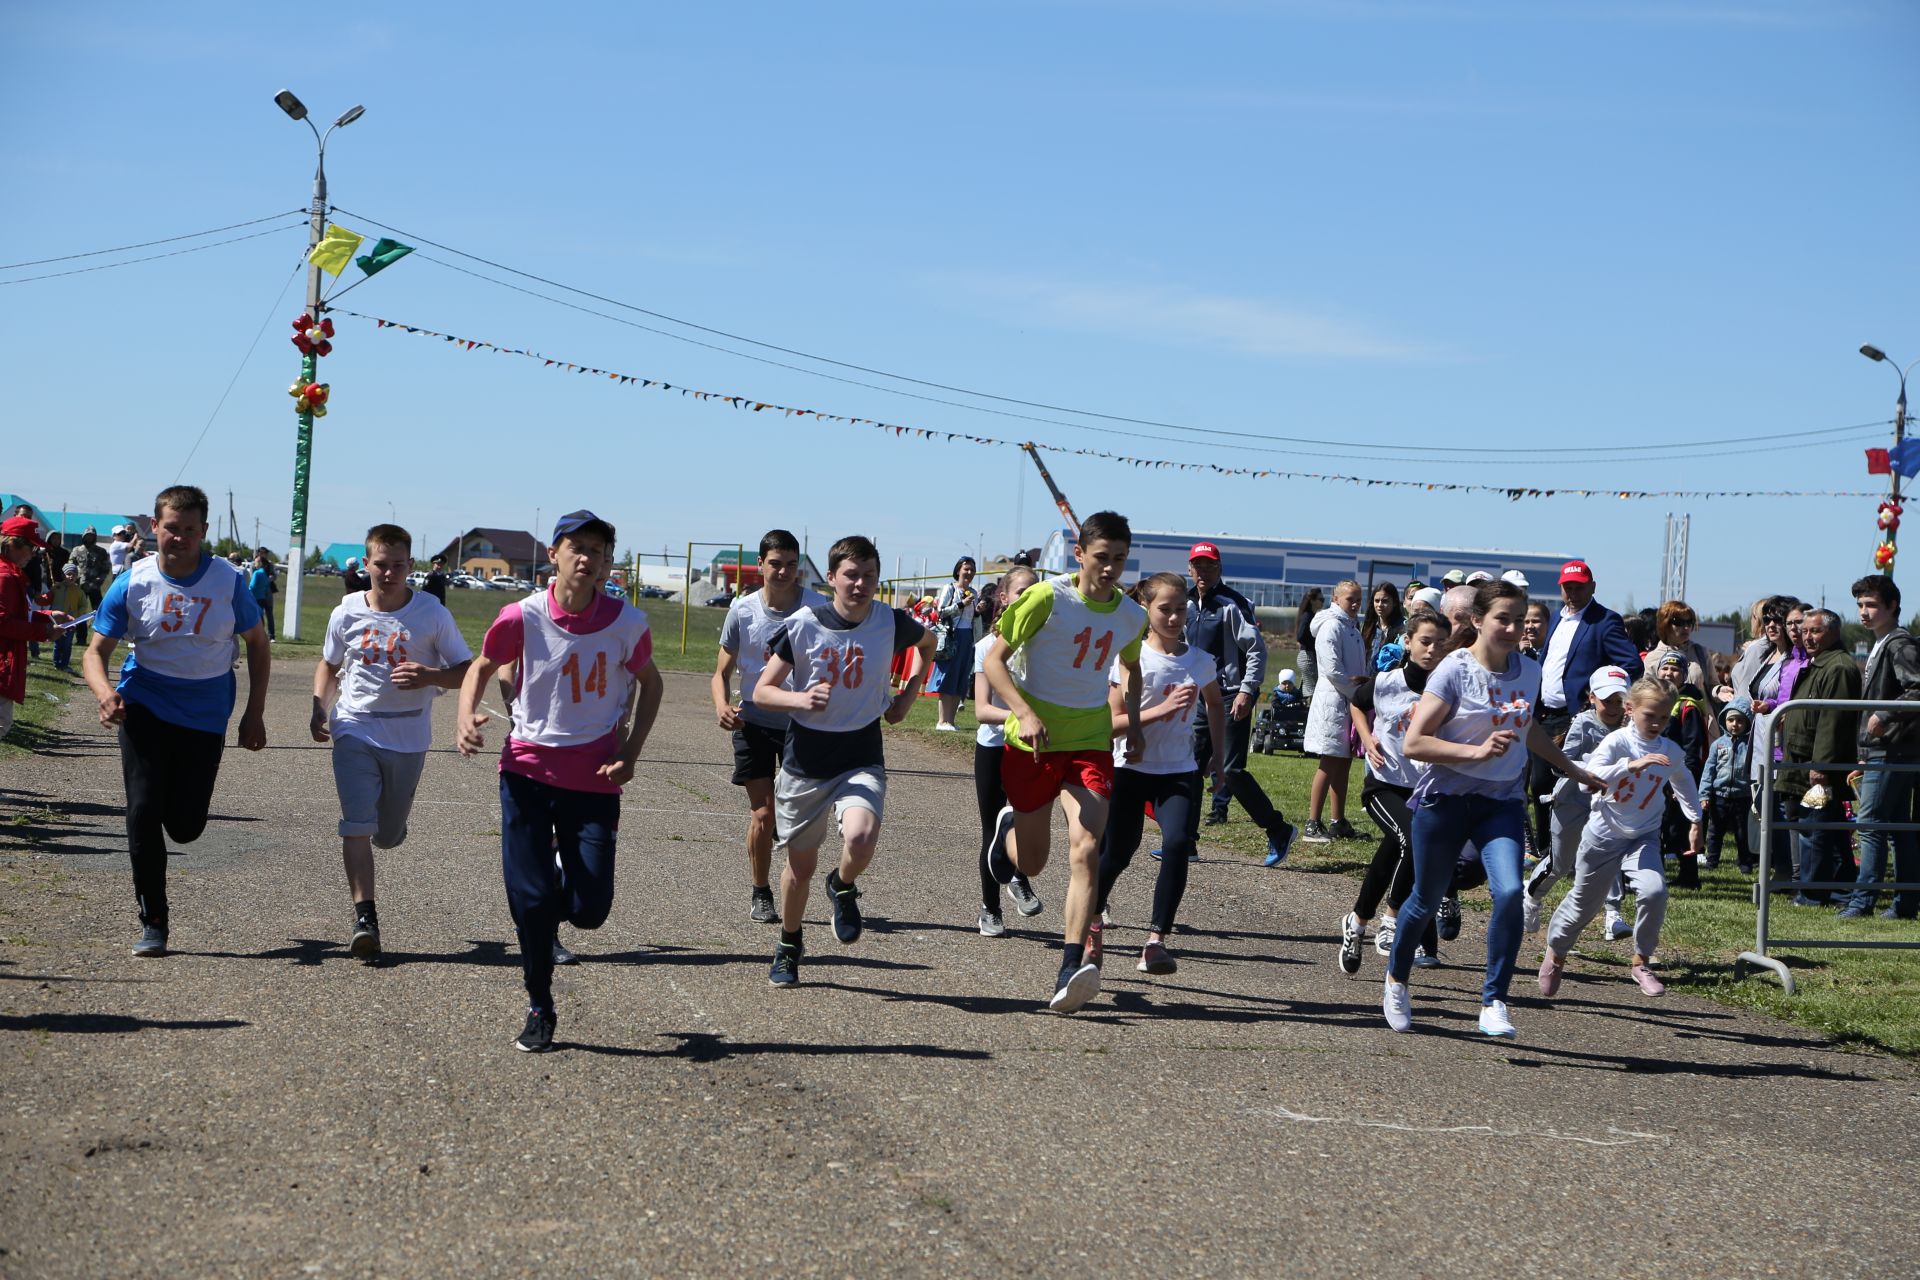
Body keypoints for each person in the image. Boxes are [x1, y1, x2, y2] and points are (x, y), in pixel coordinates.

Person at [456, 510, 664, 1053]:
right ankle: (539, 1004)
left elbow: (651, 684)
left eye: (597, 550)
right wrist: (465, 716)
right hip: (526, 770)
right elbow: (481, 666)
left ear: (605, 562)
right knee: (530, 901)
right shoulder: (520, 615)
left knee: (590, 910)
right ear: (554, 553)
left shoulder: (627, 623)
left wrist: (631, 751)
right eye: (576, 547)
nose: (586, 558)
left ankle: (555, 890)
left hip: (594, 777)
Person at [1382, 579, 1600, 1038]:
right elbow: (1414, 741)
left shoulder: (1529, 671)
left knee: (1507, 893)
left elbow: (1529, 730)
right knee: (1424, 898)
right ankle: (1397, 980)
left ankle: (1494, 1000)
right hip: (1445, 800)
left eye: (1520, 619)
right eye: (1503, 618)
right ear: (1479, 620)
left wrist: (1572, 769)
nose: (1513, 627)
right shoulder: (1454, 671)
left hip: (1499, 803)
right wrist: (1476, 752)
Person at [81, 486, 269, 957]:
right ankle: (154, 921)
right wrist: (106, 694)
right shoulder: (133, 581)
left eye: (189, 530)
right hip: (144, 701)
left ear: (203, 532)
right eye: (171, 528)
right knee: (143, 812)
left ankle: (176, 813)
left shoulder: (227, 582)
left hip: (205, 713)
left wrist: (254, 713)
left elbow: (259, 645)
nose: (179, 538)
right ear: (155, 527)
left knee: (185, 827)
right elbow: (94, 652)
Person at [982, 510, 1148, 1014]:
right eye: (1102, 558)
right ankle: (1007, 836)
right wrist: (1025, 712)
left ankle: (1070, 965)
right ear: (1079, 555)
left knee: (1087, 848)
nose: (1111, 569)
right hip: (1032, 742)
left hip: (1090, 742)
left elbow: (1132, 669)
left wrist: (1135, 724)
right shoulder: (1047, 597)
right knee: (1032, 861)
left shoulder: (1130, 615)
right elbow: (994, 660)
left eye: (1119, 559)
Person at [751, 535, 935, 988]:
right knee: (799, 869)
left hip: (861, 752)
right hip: (806, 760)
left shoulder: (890, 622)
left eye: (870, 576)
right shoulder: (804, 623)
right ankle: (790, 942)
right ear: (831, 578)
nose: (861, 583)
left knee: (862, 833)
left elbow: (930, 647)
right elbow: (761, 691)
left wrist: (907, 697)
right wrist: (800, 697)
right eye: (851, 575)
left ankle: (844, 884)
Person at [310, 525, 472, 963]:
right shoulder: (345, 612)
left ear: (410, 567)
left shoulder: (431, 613)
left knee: (386, 833)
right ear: (366, 565)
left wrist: (431, 677)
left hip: (408, 735)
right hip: (354, 727)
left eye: (398, 565)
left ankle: (394, 827)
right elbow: (329, 664)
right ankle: (365, 918)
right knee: (356, 822)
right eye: (380, 564)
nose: (388, 572)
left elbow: (467, 670)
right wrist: (318, 708)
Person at [1537, 678, 1704, 1000]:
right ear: (1630, 710)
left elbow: (1683, 780)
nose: (1657, 724)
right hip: (1602, 836)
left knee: (1654, 891)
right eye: (1649, 716)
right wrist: (1630, 765)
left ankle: (1641, 962)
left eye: (1664, 717)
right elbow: (1589, 783)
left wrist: (1695, 820)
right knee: (1585, 905)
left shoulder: (1670, 750)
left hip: (1643, 836)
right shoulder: (1617, 742)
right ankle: (1555, 954)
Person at [1094, 572, 1225, 975]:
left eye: (1180, 609)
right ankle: (1091, 918)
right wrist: (1161, 712)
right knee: (1118, 851)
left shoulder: (1200, 661)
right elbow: (1111, 721)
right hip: (1130, 767)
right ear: (1146, 610)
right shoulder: (1130, 658)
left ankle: (1156, 942)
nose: (1173, 617)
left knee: (1179, 842)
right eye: (1164, 609)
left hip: (1179, 770)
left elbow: (1216, 707)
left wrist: (1219, 757)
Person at [711, 529, 829, 924]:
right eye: (776, 563)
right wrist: (722, 704)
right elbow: (720, 672)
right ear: (760, 564)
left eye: (792, 565)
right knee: (762, 814)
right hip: (754, 723)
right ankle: (761, 891)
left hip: (803, 725)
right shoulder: (743, 611)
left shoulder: (816, 609)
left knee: (800, 816)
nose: (784, 572)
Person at [1337, 608, 1448, 976]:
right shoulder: (1388, 682)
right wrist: (1367, 738)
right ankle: (1392, 919)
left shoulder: (1448, 689)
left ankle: (1356, 922)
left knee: (1391, 855)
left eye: (1439, 644)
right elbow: (1356, 701)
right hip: (1384, 785)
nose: (1432, 650)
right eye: (1425, 641)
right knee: (1413, 841)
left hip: (1424, 788)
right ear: (1409, 642)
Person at [1184, 542, 1295, 859]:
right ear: (1189, 569)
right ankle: (1185, 843)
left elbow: (1257, 650)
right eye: (1198, 565)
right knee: (1189, 766)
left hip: (1232, 696)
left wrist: (1248, 690)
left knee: (1231, 771)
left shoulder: (1231, 604)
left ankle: (1278, 829)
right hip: (1200, 698)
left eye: (1209, 565)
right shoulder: (1187, 604)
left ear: (1219, 568)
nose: (1203, 571)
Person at [1532, 560, 1643, 859]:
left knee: (1575, 786)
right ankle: (1548, 852)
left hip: (1577, 716)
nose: (1573, 592)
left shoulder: (1605, 620)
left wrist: (1597, 693)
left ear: (1592, 587)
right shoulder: (1557, 618)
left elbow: (1632, 664)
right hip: (1545, 714)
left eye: (1579, 586)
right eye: (1568, 586)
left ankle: (1580, 850)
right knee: (1540, 784)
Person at [1522, 664, 1633, 935]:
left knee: (1611, 857)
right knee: (1559, 865)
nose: (1615, 707)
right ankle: (1531, 899)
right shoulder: (1584, 722)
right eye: (1608, 700)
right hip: (1571, 802)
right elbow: (1560, 764)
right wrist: (1592, 767)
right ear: (1592, 697)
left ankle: (1613, 916)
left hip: (1609, 807)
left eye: (1620, 700)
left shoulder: (1632, 727)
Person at [971, 565, 1043, 936]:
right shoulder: (985, 647)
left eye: (1035, 592)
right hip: (996, 748)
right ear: (1003, 597)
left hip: (1032, 748)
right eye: (1020, 592)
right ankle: (990, 908)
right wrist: (1024, 716)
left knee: (1028, 823)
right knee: (994, 827)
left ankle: (1018, 877)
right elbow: (982, 710)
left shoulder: (1042, 646)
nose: (1028, 599)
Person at [1845, 574, 1920, 919]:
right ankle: (1905, 902)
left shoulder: (1899, 643)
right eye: (1860, 604)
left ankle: (1863, 901)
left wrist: (1886, 714)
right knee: (1896, 826)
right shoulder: (1883, 642)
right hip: (1887, 748)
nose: (1864, 611)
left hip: (1892, 748)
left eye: (1872, 604)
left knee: (1871, 822)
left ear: (1892, 606)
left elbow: (1917, 689)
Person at [1777, 609, 1860, 907]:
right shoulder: (1818, 664)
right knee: (1829, 827)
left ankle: (1812, 894)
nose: (1807, 636)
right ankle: (1840, 890)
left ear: (1833, 633)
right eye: (1805, 630)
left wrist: (1821, 767)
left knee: (1815, 827)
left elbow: (1832, 720)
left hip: (1817, 766)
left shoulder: (1837, 667)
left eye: (1815, 631)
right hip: (1805, 760)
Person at [1301, 580, 1365, 842]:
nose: (1356, 603)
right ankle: (1312, 822)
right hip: (1334, 702)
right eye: (1351, 599)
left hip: (1348, 701)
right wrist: (1357, 692)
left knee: (1343, 760)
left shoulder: (1351, 626)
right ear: (1336, 599)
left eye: (1359, 599)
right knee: (1329, 761)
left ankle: (1338, 821)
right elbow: (1332, 669)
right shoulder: (1331, 626)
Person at [1, 516, 62, 739]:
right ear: (13, 545)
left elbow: (18, 615)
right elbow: (3, 623)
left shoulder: (11, 574)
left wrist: (47, 617)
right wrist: (44, 633)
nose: (34, 553)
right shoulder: (4, 577)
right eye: (31, 546)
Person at [1701, 696, 1756, 875]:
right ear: (1724, 720)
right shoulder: (1718, 745)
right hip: (1719, 796)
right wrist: (1704, 794)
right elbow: (1708, 770)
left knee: (1742, 832)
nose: (1735, 724)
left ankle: (1745, 862)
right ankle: (1712, 860)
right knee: (1715, 831)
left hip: (1743, 796)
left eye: (1740, 720)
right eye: (1731, 720)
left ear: (1748, 723)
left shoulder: (1751, 746)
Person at [928, 557, 979, 731]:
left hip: (967, 637)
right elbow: (940, 612)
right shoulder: (949, 589)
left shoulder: (974, 592)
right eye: (966, 569)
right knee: (948, 676)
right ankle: (942, 721)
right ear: (958, 570)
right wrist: (960, 604)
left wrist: (978, 610)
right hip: (951, 636)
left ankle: (951, 720)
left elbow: (973, 618)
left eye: (972, 569)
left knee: (961, 678)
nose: (969, 572)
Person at [1644, 600, 1716, 699]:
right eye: (1679, 622)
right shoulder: (1652, 658)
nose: (1686, 627)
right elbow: (1647, 696)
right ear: (1665, 624)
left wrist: (1719, 691)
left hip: (1699, 714)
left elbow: (1713, 685)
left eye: (1689, 622)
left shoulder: (1701, 652)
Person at [49, 563, 89, 671]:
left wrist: (76, 615)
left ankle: (65, 664)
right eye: (69, 574)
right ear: (63, 575)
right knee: (58, 642)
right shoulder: (57, 588)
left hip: (71, 622)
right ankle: (57, 663)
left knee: (67, 644)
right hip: (57, 621)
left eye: (74, 575)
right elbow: (49, 600)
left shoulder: (79, 591)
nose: (71, 577)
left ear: (77, 577)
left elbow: (83, 605)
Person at [1361, 582, 1405, 667]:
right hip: (1366, 677)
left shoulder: (1402, 629)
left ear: (1395, 603)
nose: (1380, 605)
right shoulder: (1368, 627)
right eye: (1377, 601)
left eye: (1385, 601)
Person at [1294, 588, 1324, 700]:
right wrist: (1315, 642)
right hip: (1307, 656)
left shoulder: (1311, 615)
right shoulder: (1308, 616)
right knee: (1312, 690)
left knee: (1308, 688)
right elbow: (1300, 636)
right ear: (1312, 601)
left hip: (1308, 656)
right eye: (1321, 599)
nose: (1322, 602)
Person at [70, 527, 109, 610]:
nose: (89, 537)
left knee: (98, 610)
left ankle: (96, 623)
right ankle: (80, 623)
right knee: (78, 608)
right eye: (87, 535)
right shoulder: (76, 550)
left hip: (94, 586)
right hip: (79, 585)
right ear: (83, 536)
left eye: (92, 535)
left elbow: (105, 569)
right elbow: (71, 566)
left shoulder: (101, 551)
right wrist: (74, 579)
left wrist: (98, 581)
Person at [249, 548, 277, 641]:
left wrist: (267, 580)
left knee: (269, 614)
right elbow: (252, 578)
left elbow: (274, 576)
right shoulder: (254, 564)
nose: (265, 555)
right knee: (258, 614)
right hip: (258, 593)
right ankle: (258, 633)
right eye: (264, 553)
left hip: (267, 592)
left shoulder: (269, 565)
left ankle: (271, 635)